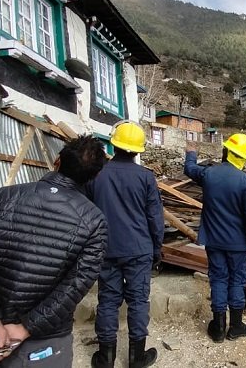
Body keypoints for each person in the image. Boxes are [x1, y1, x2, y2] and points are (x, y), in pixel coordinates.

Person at [0, 135, 108, 367]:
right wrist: (26, 327)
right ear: (95, 176)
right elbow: (76, 285)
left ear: (57, 160)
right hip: (45, 342)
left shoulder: (3, 197)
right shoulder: (94, 221)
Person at [89, 121, 164, 368]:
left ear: (114, 143)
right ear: (138, 150)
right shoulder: (146, 178)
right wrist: (157, 248)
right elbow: (155, 218)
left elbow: (87, 212)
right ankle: (136, 358)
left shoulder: (96, 175)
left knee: (108, 300)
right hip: (139, 249)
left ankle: (105, 358)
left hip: (106, 249)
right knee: (138, 301)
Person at [184, 133, 246, 343]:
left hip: (213, 241)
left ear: (226, 151)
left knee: (218, 278)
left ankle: (218, 328)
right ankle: (236, 326)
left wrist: (191, 152)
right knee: (237, 281)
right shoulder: (245, 181)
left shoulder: (209, 174)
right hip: (237, 244)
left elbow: (190, 169)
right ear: (242, 158)